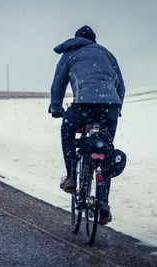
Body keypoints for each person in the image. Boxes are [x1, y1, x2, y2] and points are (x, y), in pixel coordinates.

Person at [49, 25, 125, 224]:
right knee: (106, 151)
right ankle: (104, 205)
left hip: (84, 105)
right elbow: (121, 86)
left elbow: (59, 83)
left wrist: (56, 107)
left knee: (67, 130)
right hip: (110, 106)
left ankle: (71, 177)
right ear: (94, 40)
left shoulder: (70, 53)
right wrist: (117, 108)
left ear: (76, 40)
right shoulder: (107, 54)